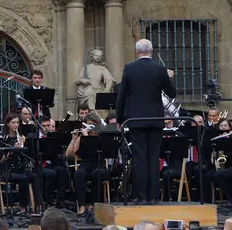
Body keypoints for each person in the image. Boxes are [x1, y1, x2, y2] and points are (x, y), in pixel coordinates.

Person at [115, 39, 176, 205]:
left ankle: (141, 196)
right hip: (155, 120)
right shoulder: (160, 69)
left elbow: (122, 96)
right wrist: (169, 78)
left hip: (135, 120)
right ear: (151, 50)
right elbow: (172, 94)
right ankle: (154, 196)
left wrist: (120, 118)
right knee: (153, 157)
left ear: (136, 52)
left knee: (140, 158)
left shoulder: (129, 69)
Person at [66, 115, 108, 214]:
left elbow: (107, 151)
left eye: (92, 124)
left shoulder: (101, 136)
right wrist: (76, 138)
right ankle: (81, 206)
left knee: (97, 173)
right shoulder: (82, 136)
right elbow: (69, 154)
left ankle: (93, 205)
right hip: (85, 165)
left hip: (99, 165)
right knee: (78, 174)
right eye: (87, 124)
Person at [0, 112, 41, 212]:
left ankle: (38, 206)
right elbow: (1, 159)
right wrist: (13, 150)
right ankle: (23, 206)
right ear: (8, 124)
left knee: (34, 176)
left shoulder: (22, 137)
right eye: (13, 122)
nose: (16, 125)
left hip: (21, 168)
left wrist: (25, 144)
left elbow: (29, 155)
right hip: (7, 170)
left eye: (17, 122)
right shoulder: (3, 138)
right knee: (23, 178)